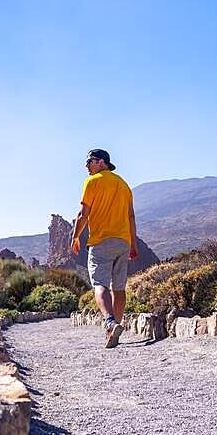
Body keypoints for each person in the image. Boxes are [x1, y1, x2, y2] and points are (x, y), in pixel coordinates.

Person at [71, 148, 138, 349]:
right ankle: (114, 329)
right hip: (123, 241)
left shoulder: (92, 182)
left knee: (99, 284)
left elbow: (83, 214)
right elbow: (131, 217)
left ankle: (109, 322)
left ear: (101, 162)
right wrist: (133, 244)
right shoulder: (125, 186)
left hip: (101, 241)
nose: (86, 166)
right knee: (119, 288)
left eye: (89, 161)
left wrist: (75, 236)